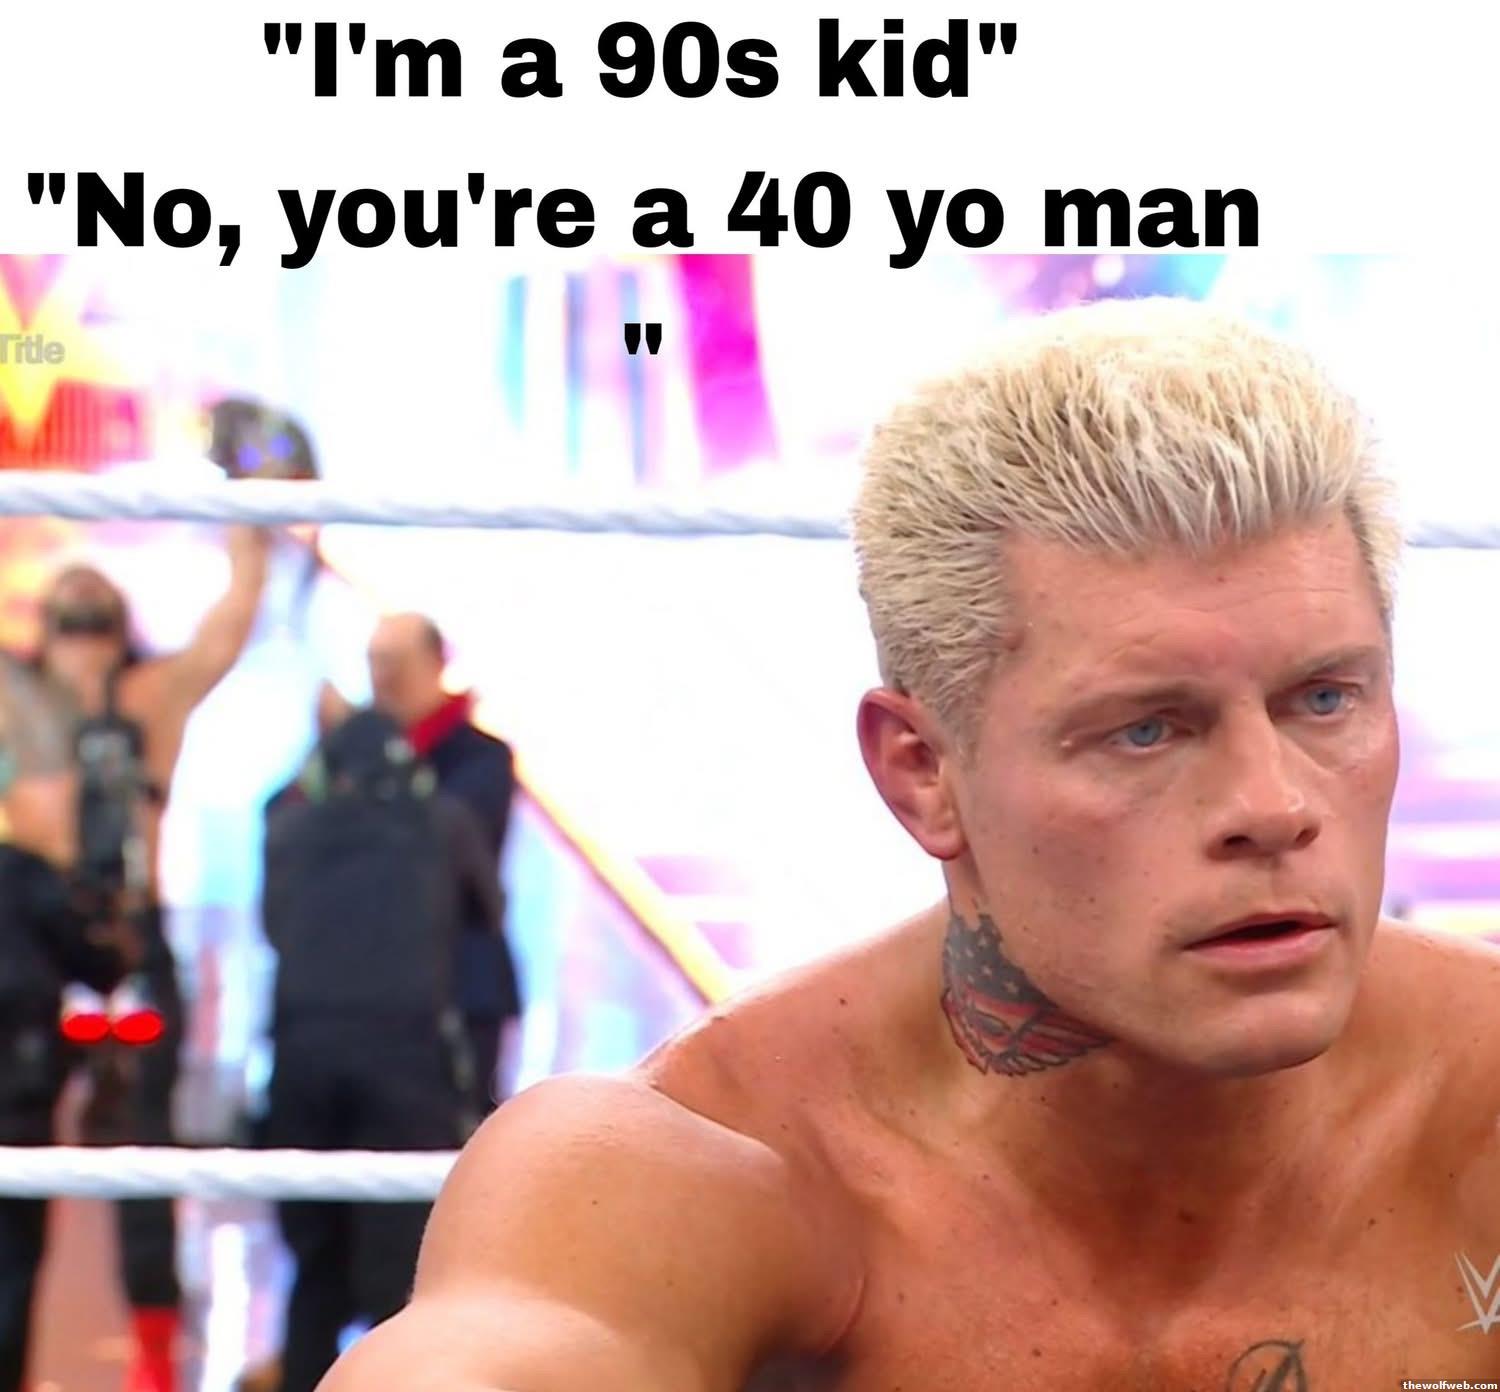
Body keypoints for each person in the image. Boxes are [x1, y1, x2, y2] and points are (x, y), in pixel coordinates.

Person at [319, 298, 1500, 1391]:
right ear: (923, 771)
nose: (1273, 804)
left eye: (1325, 700)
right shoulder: (703, 1170)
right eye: (1146, 729)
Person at [30, 525, 269, 1392]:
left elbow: (229, 626)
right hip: (35, 944)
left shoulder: (151, 696)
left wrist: (250, 523)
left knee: (145, 1154)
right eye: (72, 620)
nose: (84, 639)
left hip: (129, 936)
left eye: (96, 619)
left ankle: (157, 1361)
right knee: (18, 1152)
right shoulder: (19, 710)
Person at [262, 708, 503, 1392]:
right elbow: (489, 909)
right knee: (397, 1270)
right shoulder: (445, 824)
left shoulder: (289, 828)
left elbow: (275, 926)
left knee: (313, 1266)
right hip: (405, 1058)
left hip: (303, 1059)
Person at [0, 656, 127, 1392]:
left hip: (23, 1088)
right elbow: (101, 964)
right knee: (13, 1261)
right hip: (18, 1096)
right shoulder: (30, 874)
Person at [358, 613, 521, 1116]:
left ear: (435, 664)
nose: (383, 678)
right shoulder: (354, 757)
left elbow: (438, 837)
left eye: (396, 662)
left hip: (458, 990)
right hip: (366, 993)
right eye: (375, 662)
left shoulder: (482, 760)